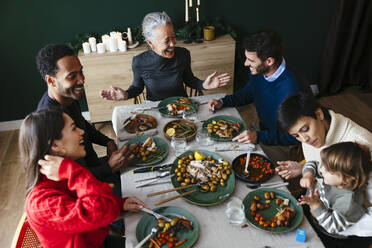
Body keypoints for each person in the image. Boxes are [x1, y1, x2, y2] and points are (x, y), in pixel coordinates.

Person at [19, 108, 147, 248]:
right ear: (55, 145)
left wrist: (119, 204)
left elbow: (101, 209)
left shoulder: (59, 176)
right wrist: (72, 171)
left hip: (96, 240)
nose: (82, 132)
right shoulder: (42, 203)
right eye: (74, 129)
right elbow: (100, 210)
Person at [36, 44, 133, 200]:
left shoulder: (68, 97)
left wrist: (108, 142)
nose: (82, 80)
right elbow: (69, 179)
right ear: (51, 80)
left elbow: (84, 126)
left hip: (95, 167)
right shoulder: (48, 120)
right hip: (85, 191)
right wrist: (108, 167)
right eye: (72, 76)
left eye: (81, 72)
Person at [276, 92, 372, 238]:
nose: (304, 139)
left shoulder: (362, 144)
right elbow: (327, 168)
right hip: (318, 201)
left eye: (305, 129)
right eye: (296, 136)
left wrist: (331, 223)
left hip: (342, 228)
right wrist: (303, 168)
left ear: (319, 114)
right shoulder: (312, 135)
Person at [208, 30, 306, 162]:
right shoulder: (260, 71)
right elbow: (249, 93)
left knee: (233, 161)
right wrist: (223, 101)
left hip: (283, 146)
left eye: (251, 60)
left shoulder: (293, 89)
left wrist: (259, 137)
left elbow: (295, 136)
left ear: (269, 61)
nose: (245, 64)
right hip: (262, 131)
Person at [100, 12, 230, 102]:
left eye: (173, 37)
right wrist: (126, 94)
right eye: (166, 41)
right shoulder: (139, 62)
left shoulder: (183, 54)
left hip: (183, 105)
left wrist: (204, 85)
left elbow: (189, 80)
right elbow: (137, 88)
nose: (173, 44)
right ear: (151, 43)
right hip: (155, 108)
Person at [299, 142, 370, 234]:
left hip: (329, 234)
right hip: (317, 210)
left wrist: (315, 205)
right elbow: (314, 164)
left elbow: (332, 227)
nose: (321, 169)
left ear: (347, 179)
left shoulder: (349, 204)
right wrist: (308, 175)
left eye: (327, 170)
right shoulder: (336, 176)